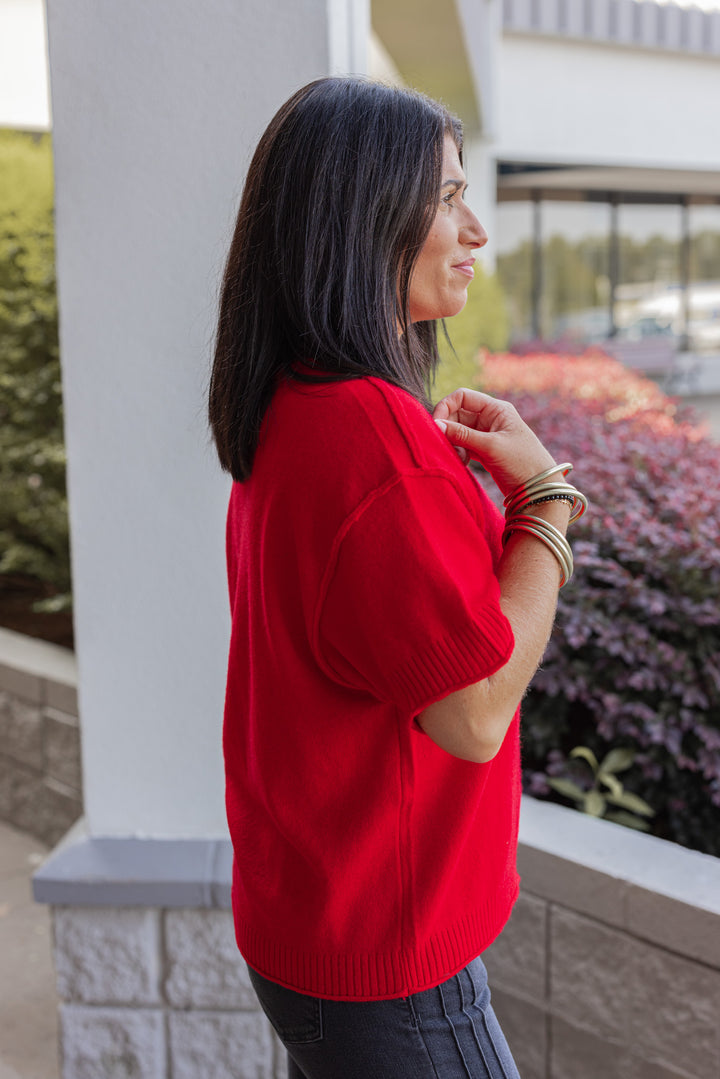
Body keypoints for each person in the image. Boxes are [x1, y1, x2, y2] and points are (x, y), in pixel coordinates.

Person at [208, 77, 586, 1079]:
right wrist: (546, 506)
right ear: (362, 215)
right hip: (389, 960)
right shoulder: (371, 439)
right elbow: (472, 713)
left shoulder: (296, 404)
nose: (477, 230)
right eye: (450, 196)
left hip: (320, 924)